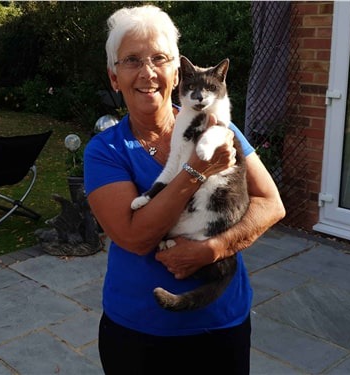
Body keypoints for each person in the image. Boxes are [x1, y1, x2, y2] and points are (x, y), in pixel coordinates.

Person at [84, 5, 285, 375]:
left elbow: (272, 204)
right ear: (114, 78)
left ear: (177, 71)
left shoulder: (220, 126)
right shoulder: (105, 151)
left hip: (220, 321)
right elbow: (136, 237)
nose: (147, 72)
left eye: (159, 58)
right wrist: (197, 170)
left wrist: (215, 248)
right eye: (131, 60)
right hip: (139, 330)